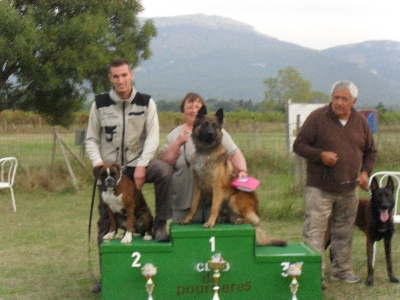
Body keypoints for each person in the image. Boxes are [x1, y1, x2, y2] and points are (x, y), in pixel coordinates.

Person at [85, 58, 172, 293]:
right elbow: (91, 139)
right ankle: (108, 275)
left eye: (124, 75)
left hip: (136, 164)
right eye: (115, 76)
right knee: (105, 221)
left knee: (163, 171)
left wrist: (143, 165)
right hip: (109, 168)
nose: (120, 80)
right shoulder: (99, 104)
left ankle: (161, 225)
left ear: (131, 75)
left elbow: (153, 137)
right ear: (110, 79)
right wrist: (97, 164)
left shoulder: (146, 102)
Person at [293, 80, 377, 287]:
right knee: (315, 231)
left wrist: (365, 173)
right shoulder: (317, 118)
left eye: (344, 99)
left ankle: (341, 270)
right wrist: (320, 155)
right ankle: (315, 274)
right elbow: (299, 145)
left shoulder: (360, 122)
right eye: (336, 98)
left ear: (353, 101)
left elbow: (371, 151)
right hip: (319, 189)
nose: (339, 103)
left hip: (349, 189)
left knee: (344, 231)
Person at [159, 92, 248, 223]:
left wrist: (243, 171)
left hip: (211, 204)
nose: (194, 110)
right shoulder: (174, 135)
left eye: (197, 106)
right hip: (182, 202)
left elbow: (235, 153)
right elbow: (163, 162)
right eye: (189, 107)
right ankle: (191, 215)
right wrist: (177, 143)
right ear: (183, 111)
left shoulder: (219, 132)